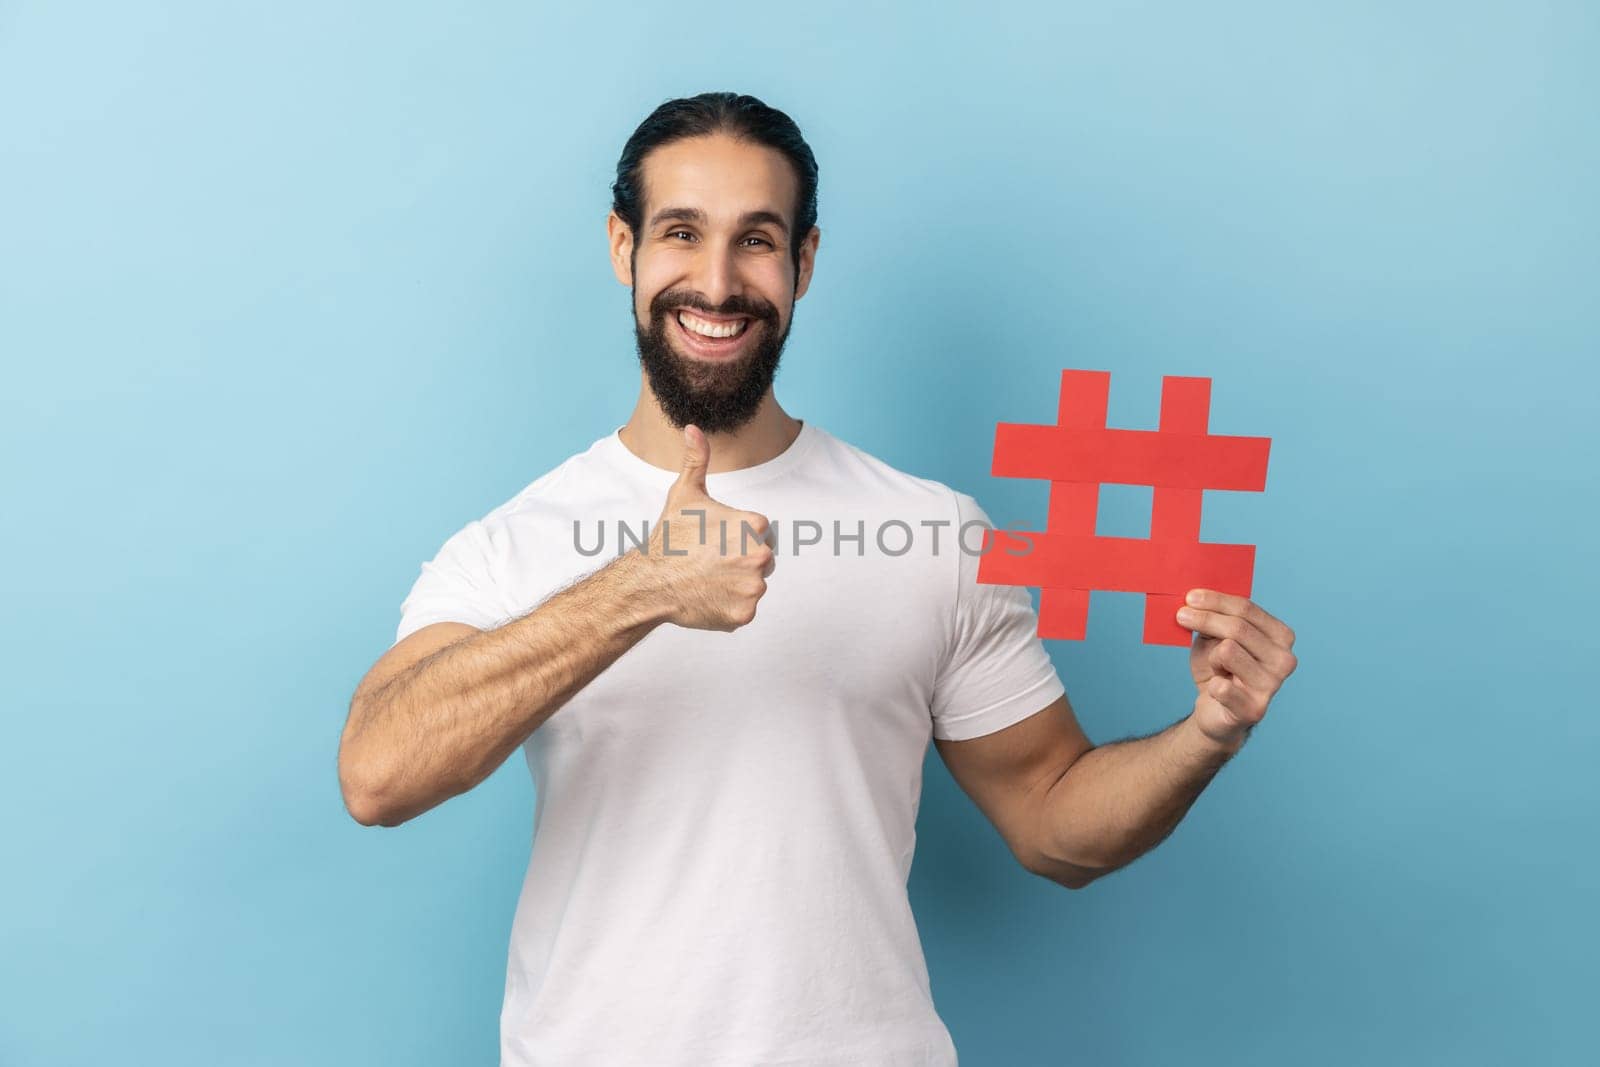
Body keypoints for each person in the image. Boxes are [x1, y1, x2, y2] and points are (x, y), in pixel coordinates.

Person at [337, 91, 1299, 1067]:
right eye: (680, 233)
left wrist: (1203, 736)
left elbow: (1053, 818)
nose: (716, 283)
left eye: (756, 240)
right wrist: (637, 587)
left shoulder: (933, 532)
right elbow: (378, 773)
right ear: (623, 248)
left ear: (802, 263)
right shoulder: (518, 542)